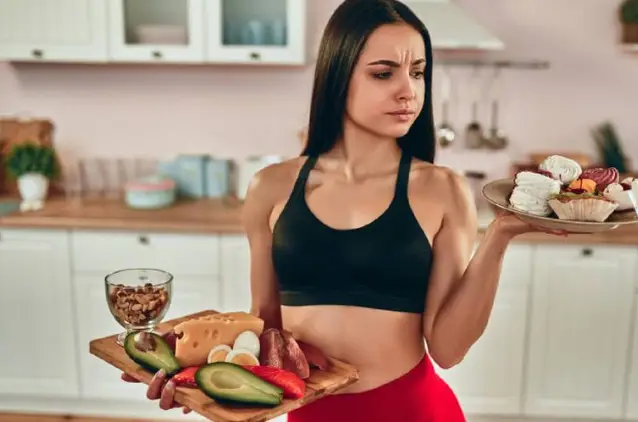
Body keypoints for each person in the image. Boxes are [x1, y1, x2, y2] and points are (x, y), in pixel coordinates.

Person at [124, 0, 565, 420]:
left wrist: (500, 237)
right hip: (311, 415)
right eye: (383, 73)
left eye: (417, 72)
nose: (408, 91)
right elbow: (265, 330)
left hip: (412, 412)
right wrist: (198, 383)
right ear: (338, 76)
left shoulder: (442, 190)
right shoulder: (271, 188)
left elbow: (448, 350)